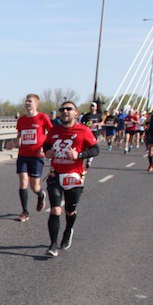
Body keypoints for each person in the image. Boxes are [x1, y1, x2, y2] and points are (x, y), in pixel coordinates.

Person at [42, 101, 99, 257]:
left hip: (74, 176)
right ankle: (53, 245)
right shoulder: (54, 130)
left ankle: (68, 230)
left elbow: (95, 149)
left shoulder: (83, 130)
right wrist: (47, 152)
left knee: (69, 210)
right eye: (63, 109)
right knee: (55, 209)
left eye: (69, 109)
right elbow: (46, 145)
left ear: (76, 113)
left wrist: (79, 155)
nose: (65, 111)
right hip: (55, 174)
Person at [13, 93, 52, 222]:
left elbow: (51, 133)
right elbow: (19, 134)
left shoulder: (42, 117)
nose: (27, 103)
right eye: (26, 101)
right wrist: (15, 142)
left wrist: (45, 147)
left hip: (37, 156)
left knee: (34, 186)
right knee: (23, 182)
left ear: (36, 104)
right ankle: (25, 212)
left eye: (30, 101)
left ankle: (41, 195)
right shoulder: (21, 120)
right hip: (23, 155)